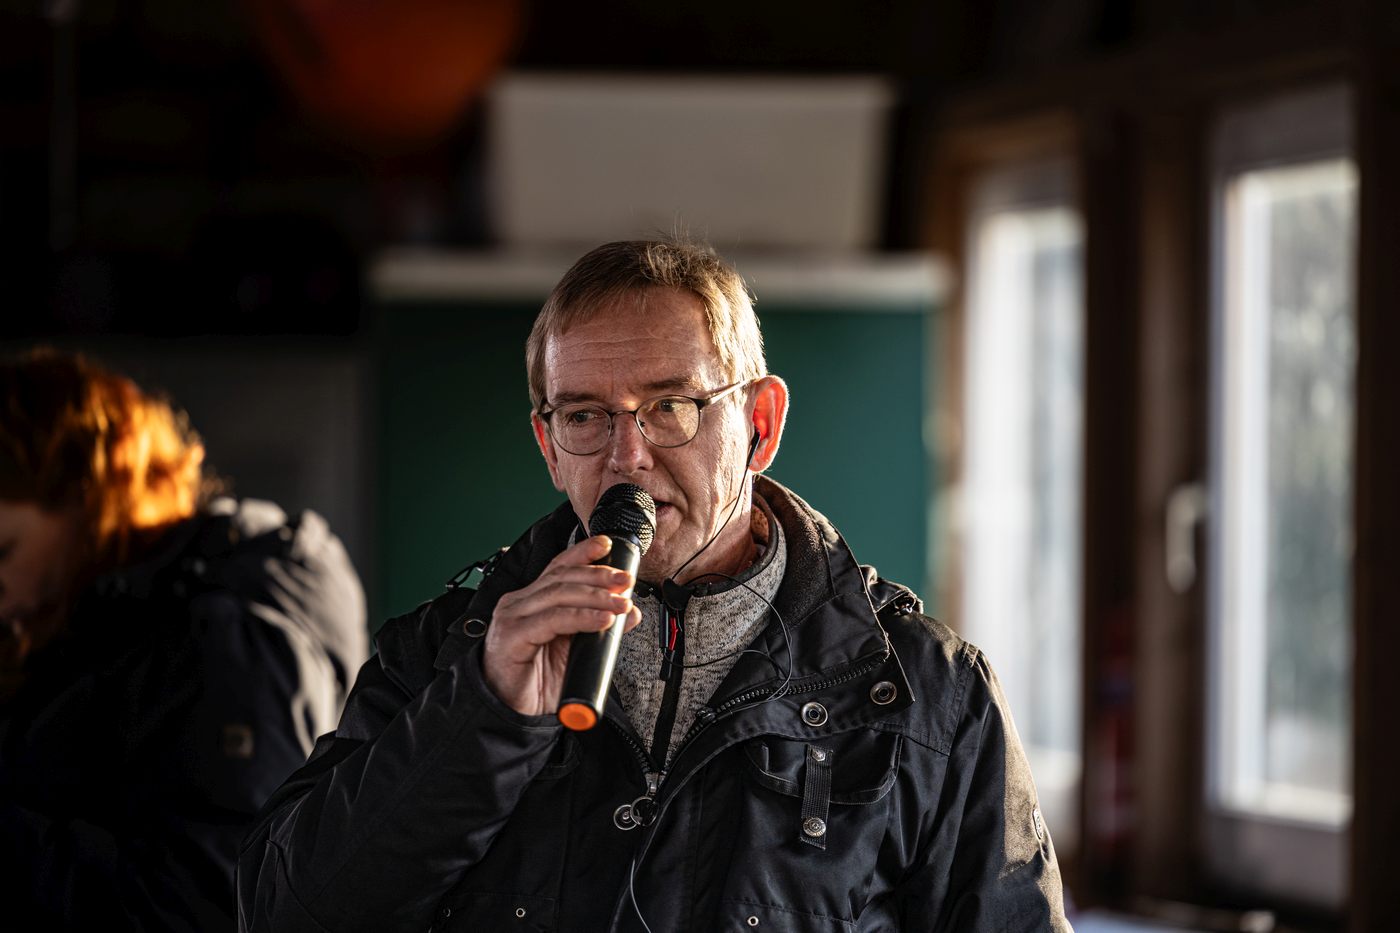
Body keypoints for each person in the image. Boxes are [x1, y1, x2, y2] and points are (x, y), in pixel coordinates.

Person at [238, 239, 1071, 931]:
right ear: (549, 446)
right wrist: (481, 715)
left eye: (671, 406)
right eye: (585, 415)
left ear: (760, 425)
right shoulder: (437, 655)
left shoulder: (931, 694)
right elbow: (281, 914)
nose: (626, 457)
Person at [0, 350, 369, 931]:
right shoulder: (112, 619)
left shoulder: (223, 636)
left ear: (85, 502)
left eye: (4, 552)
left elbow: (210, 907)